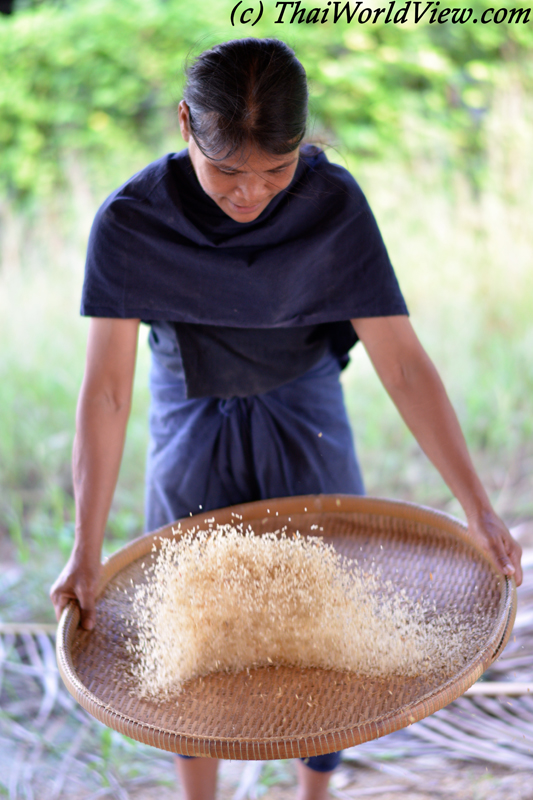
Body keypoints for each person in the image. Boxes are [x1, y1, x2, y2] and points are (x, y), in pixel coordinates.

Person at [50, 37, 522, 800]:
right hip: (190, 418)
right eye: (227, 171)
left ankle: (315, 791)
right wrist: (86, 544)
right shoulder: (130, 224)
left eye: (276, 170)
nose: (251, 194)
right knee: (188, 629)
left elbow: (401, 363)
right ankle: (198, 794)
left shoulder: (332, 206)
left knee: (323, 616)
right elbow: (105, 391)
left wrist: (477, 506)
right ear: (184, 126)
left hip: (307, 412)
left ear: (302, 145)